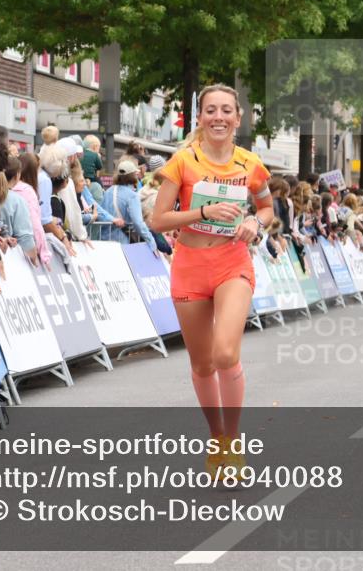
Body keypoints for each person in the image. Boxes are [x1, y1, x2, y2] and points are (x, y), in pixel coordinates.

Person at [150, 83, 273, 479]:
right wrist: (200, 211)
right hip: (189, 264)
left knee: (225, 354)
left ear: (238, 119)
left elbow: (268, 207)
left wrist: (255, 221)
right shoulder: (183, 162)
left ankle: (232, 444)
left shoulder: (250, 164)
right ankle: (217, 439)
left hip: (231, 263)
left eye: (226, 111)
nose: (218, 117)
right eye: (210, 110)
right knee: (202, 365)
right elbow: (158, 219)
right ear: (199, 118)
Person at [101, 158, 157, 251]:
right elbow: (138, 223)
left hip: (103, 238)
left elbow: (102, 213)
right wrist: (151, 241)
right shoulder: (132, 196)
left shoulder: (109, 191)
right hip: (121, 241)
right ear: (133, 175)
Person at [10, 154, 52, 268]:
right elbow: (35, 224)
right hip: (25, 247)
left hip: (8, 243)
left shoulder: (5, 188)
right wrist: (44, 254)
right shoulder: (27, 191)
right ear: (32, 171)